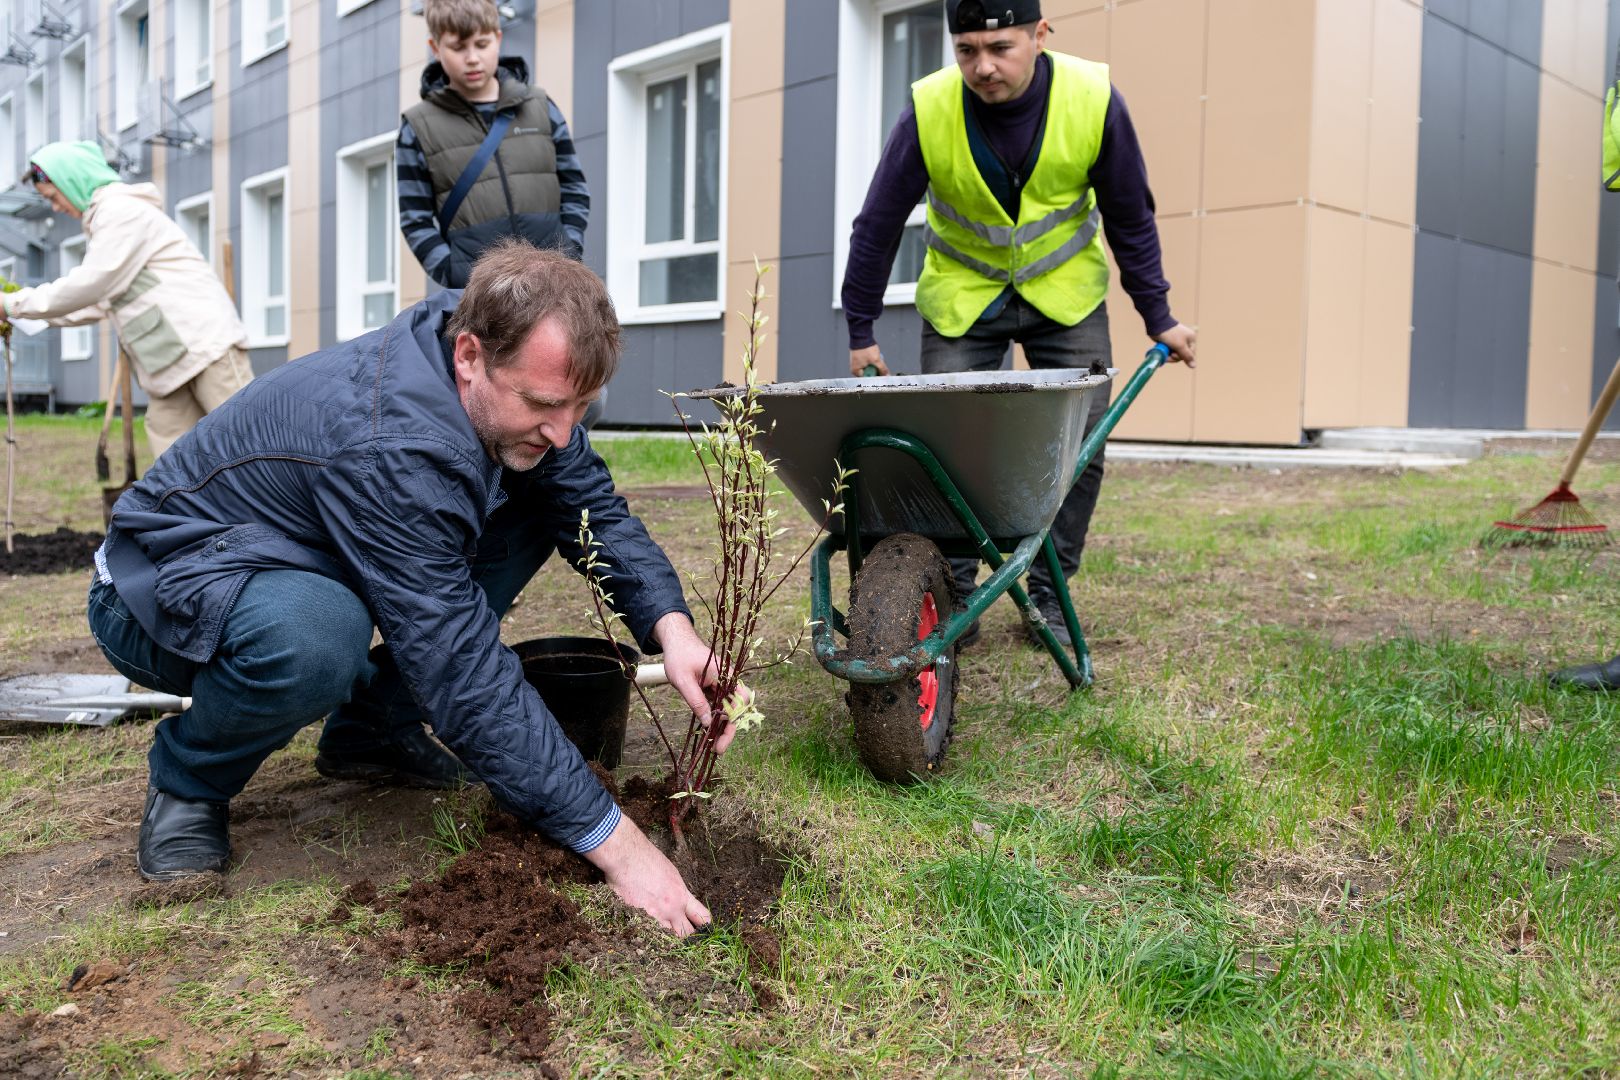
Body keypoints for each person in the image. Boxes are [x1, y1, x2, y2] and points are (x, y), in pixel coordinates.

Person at [87, 241, 730, 937]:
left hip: (294, 552)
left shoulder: (490, 356)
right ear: (470, 356)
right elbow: (457, 664)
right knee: (316, 636)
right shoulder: (393, 446)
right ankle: (190, 782)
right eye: (545, 403)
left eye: (580, 405)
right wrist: (617, 844)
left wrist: (672, 630)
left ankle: (371, 731)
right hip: (159, 586)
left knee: (540, 505)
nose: (563, 430)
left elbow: (590, 508)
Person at [842, 0, 1196, 649]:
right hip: (964, 297)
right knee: (946, 450)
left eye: (1000, 47)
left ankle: (1048, 597)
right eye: (966, 50)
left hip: (1065, 295)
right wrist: (860, 329)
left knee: (1078, 448)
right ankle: (954, 592)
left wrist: (1159, 316)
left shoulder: (1093, 101)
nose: (982, 67)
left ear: (1039, 34)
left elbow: (1130, 215)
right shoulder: (928, 110)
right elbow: (878, 223)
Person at [2, 141, 252, 459]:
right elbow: (95, 301)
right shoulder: (105, 221)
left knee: (247, 446)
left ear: (72, 181)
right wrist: (17, 314)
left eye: (53, 197)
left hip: (206, 348)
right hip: (166, 362)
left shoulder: (121, 211)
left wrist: (13, 304)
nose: (55, 208)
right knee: (175, 461)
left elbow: (92, 283)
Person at [396, 0, 589, 289]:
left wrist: (569, 252)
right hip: (479, 295)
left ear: (498, 38)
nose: (472, 58)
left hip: (553, 286)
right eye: (458, 47)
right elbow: (415, 220)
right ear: (435, 48)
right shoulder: (416, 127)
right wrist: (454, 272)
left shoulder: (540, 106)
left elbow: (574, 189)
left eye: (482, 44)